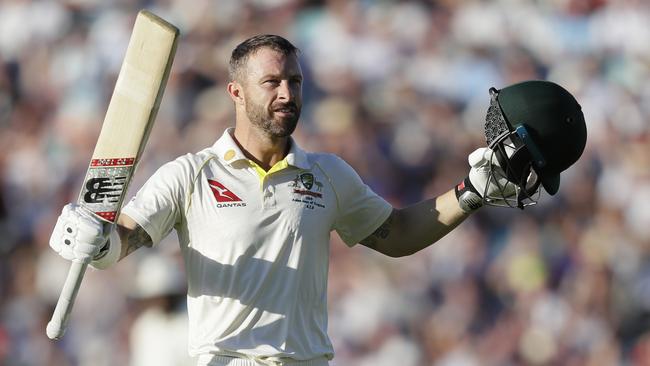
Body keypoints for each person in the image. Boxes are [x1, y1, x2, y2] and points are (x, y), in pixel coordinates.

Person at [49, 35, 586, 366]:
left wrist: (469, 195)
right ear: (236, 92)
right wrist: (97, 243)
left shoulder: (327, 174)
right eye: (272, 82)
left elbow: (396, 236)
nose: (287, 94)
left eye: (296, 82)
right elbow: (128, 236)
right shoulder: (191, 174)